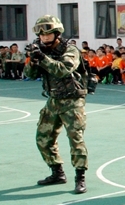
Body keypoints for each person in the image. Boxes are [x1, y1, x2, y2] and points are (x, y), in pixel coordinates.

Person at [24, 15, 89, 194]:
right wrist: (33, 58)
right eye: (41, 35)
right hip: (53, 100)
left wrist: (42, 58)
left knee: (76, 139)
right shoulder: (41, 50)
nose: (44, 37)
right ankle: (57, 172)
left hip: (72, 101)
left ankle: (80, 177)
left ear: (57, 33)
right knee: (43, 138)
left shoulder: (71, 50)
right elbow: (29, 74)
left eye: (48, 34)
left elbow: (62, 69)